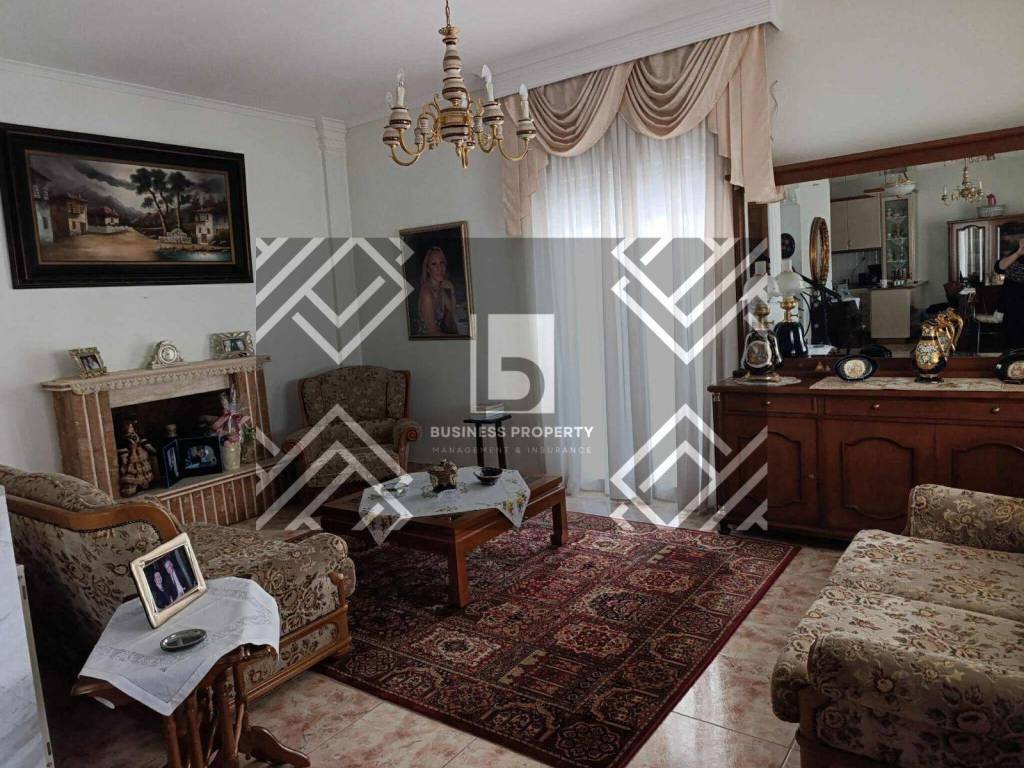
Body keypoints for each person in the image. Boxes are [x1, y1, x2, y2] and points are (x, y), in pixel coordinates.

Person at [417, 246, 459, 335]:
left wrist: (452, 290)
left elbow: (452, 310)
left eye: (441, 263)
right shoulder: (427, 294)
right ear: (428, 269)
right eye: (434, 264)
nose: (439, 268)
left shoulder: (439, 288)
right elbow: (433, 333)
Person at [996, 236, 1024, 351]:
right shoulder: (1017, 253)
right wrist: (1018, 253)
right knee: (1012, 343)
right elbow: (999, 267)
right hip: (1011, 305)